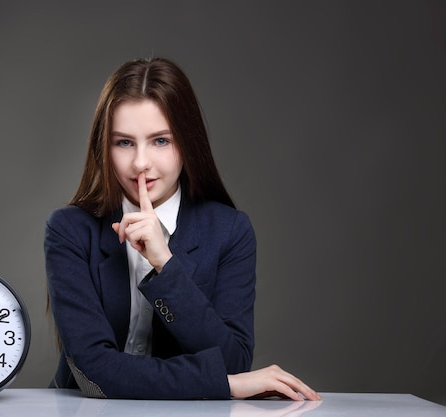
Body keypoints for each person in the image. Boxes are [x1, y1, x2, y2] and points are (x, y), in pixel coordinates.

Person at [44, 57, 321, 401]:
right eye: (124, 142)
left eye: (160, 141)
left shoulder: (230, 231)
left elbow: (232, 360)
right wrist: (225, 385)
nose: (140, 163)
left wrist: (165, 265)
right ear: (104, 147)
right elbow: (93, 372)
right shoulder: (70, 230)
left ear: (187, 142)